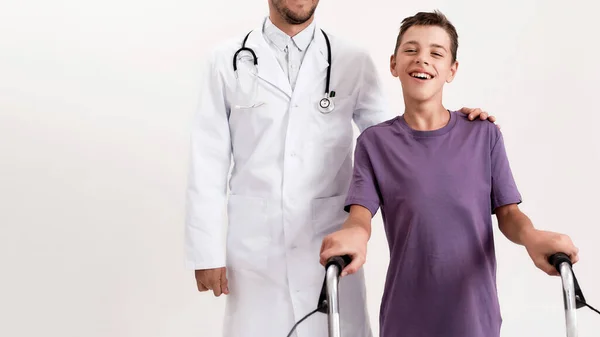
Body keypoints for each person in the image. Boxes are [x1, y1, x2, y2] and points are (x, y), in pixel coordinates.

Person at [185, 2, 495, 337]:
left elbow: (394, 141)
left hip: (332, 242)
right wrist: (206, 250)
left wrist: (452, 127)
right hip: (255, 246)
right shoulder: (225, 61)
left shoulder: (352, 60)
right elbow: (208, 158)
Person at [318, 10, 580, 337]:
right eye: (411, 50)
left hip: (474, 316)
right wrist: (354, 235)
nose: (422, 59)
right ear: (393, 64)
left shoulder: (483, 135)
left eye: (436, 53)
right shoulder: (375, 143)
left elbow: (509, 214)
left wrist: (534, 237)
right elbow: (360, 216)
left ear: (451, 70)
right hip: (405, 317)